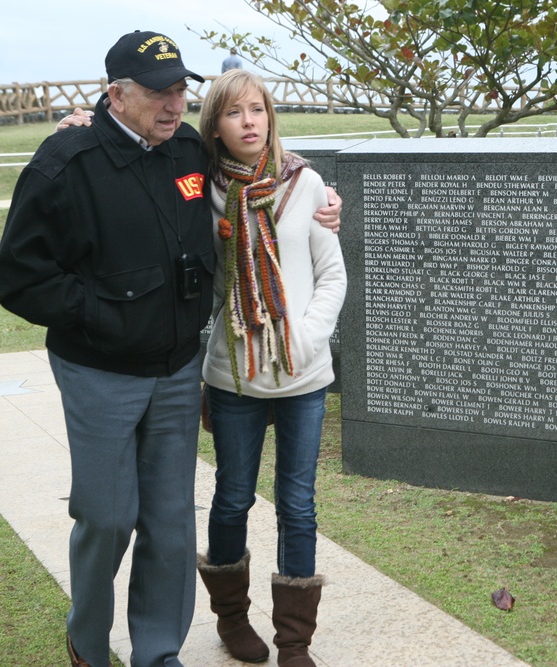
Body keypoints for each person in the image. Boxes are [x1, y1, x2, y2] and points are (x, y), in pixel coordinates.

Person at [0, 30, 211, 667]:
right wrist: (104, 318)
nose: (173, 106)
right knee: (108, 516)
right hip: (98, 370)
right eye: (157, 94)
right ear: (115, 95)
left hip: (176, 369)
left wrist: (311, 186)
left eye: (179, 90)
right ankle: (88, 642)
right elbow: (21, 279)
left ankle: (157, 651)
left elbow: (255, 168)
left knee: (171, 524)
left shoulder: (189, 150)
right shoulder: (65, 163)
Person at [196, 69, 347, 666]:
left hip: (302, 375)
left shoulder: (304, 183)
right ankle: (232, 621)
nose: (249, 122)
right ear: (215, 125)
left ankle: (294, 640)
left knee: (298, 503)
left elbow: (332, 274)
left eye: (257, 110)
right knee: (233, 498)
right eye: (235, 113)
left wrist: (305, 340)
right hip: (234, 376)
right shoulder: (200, 191)